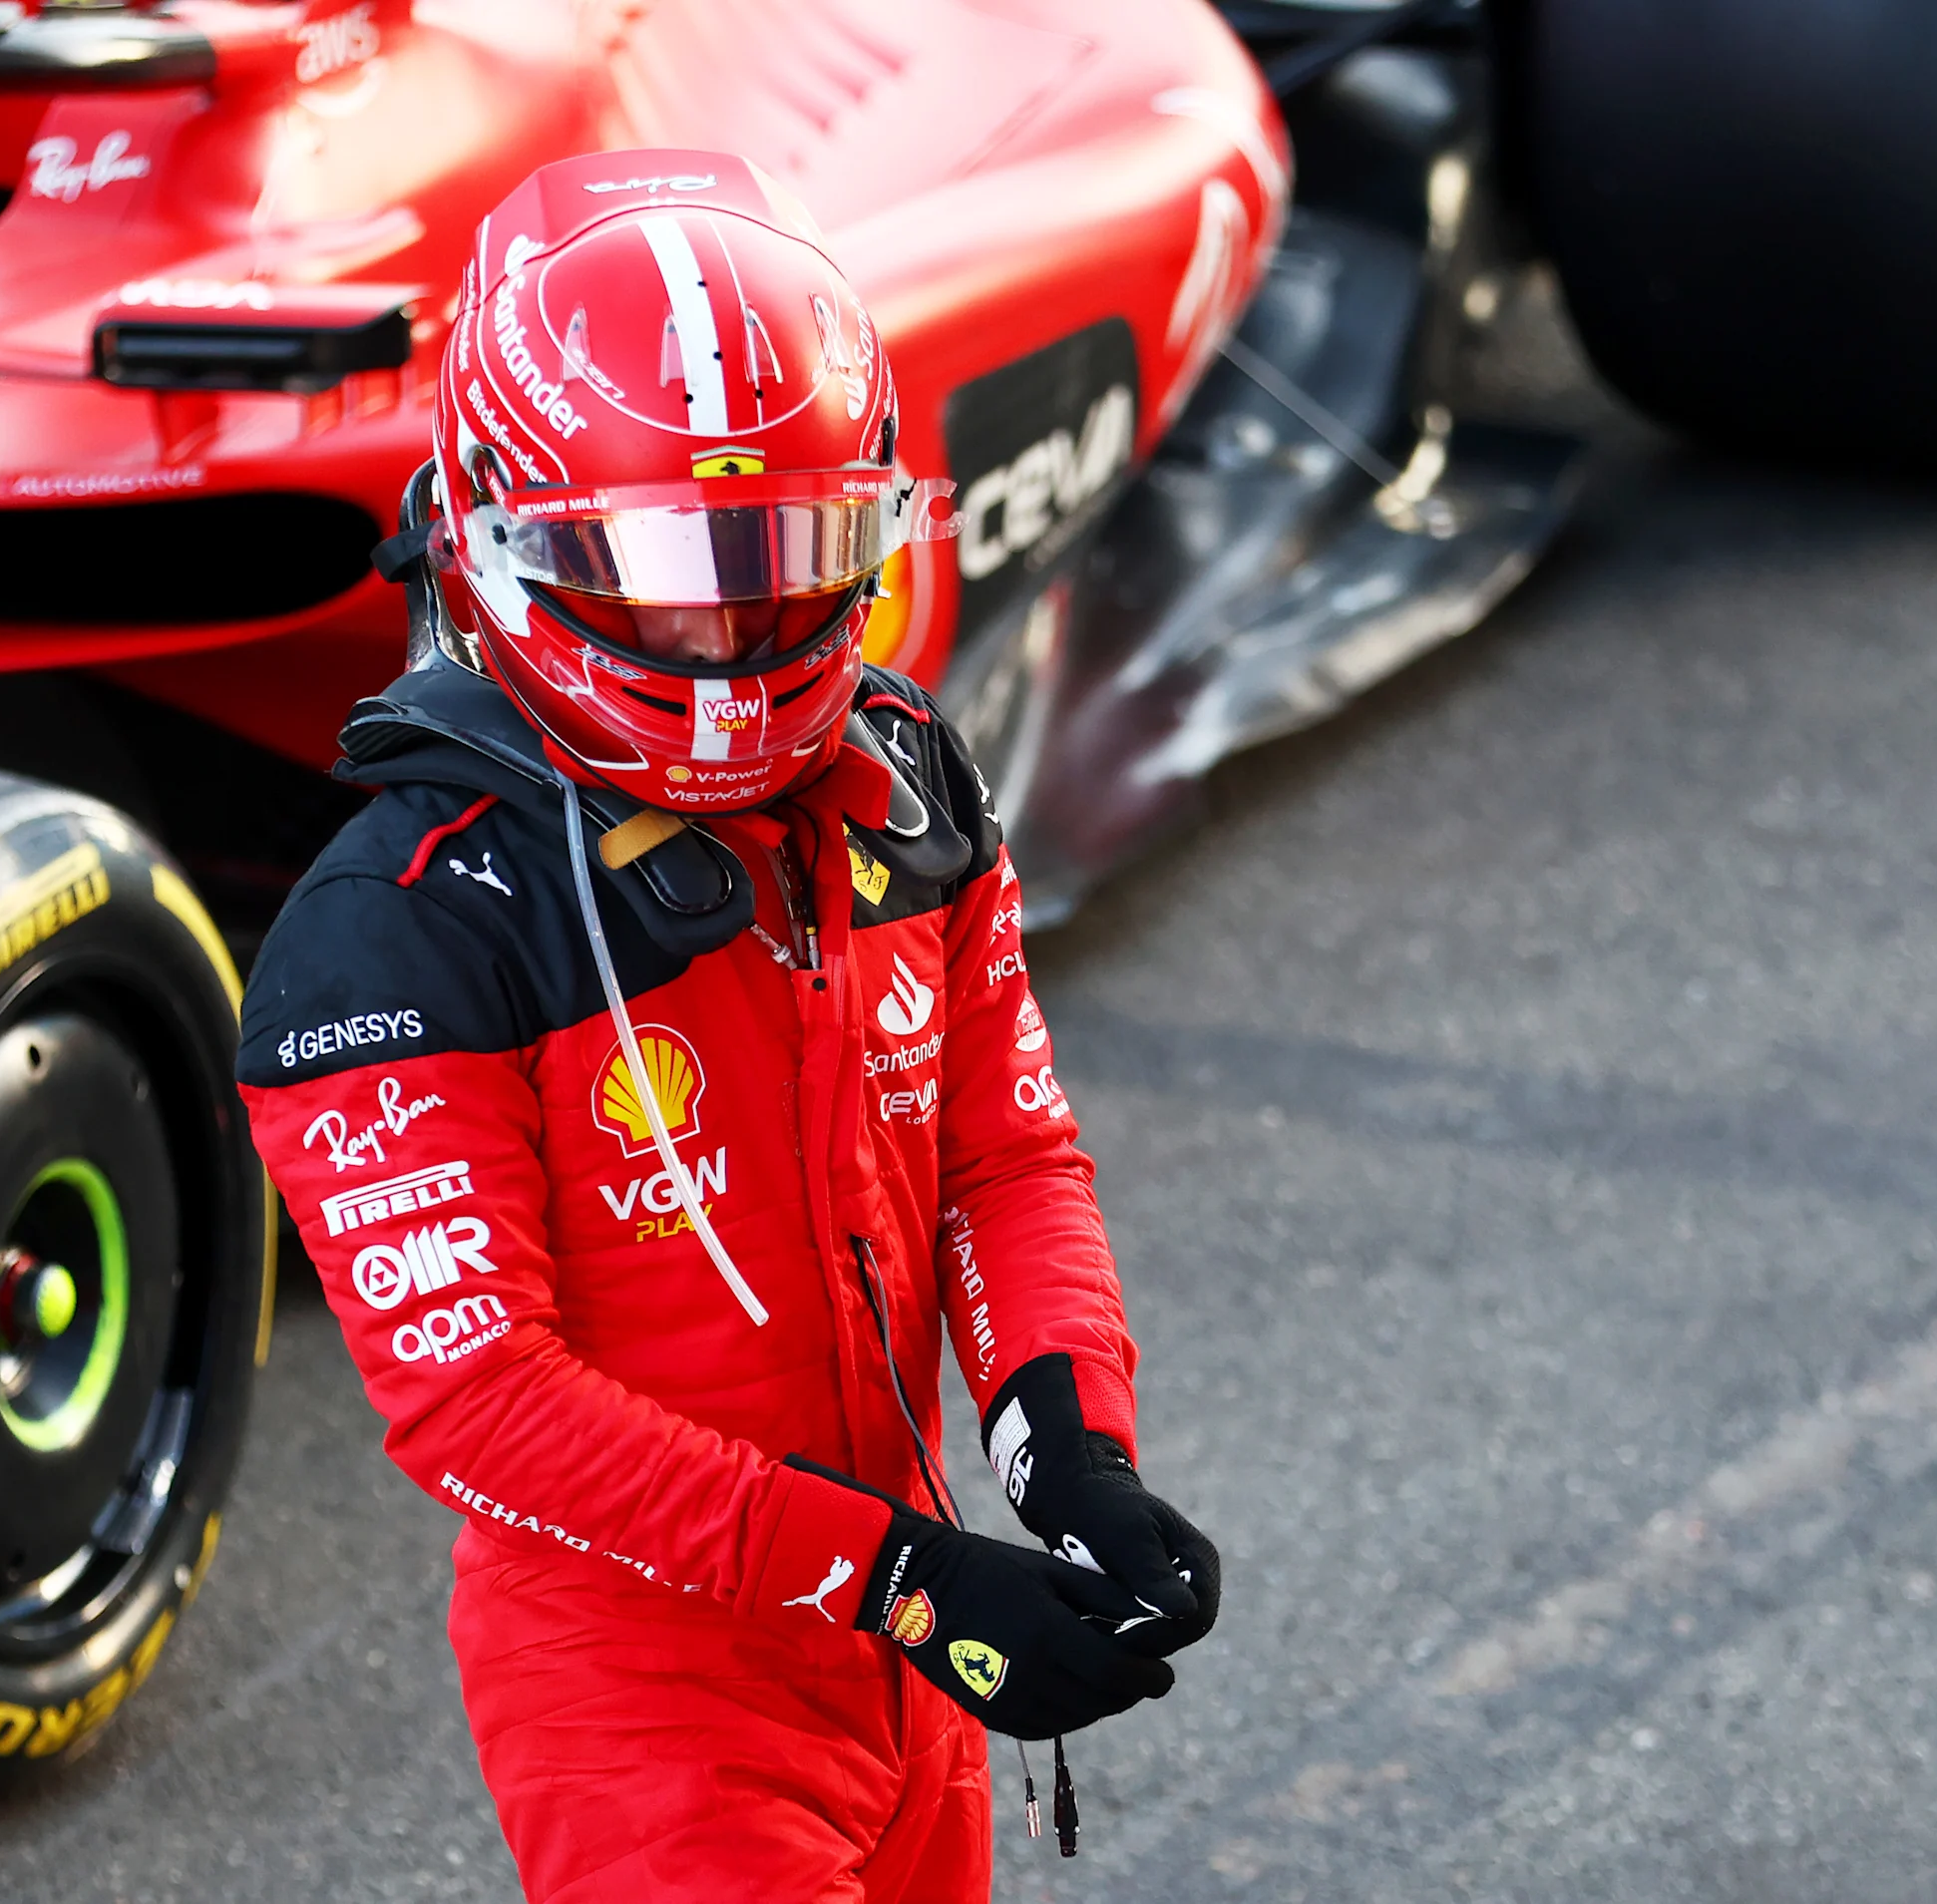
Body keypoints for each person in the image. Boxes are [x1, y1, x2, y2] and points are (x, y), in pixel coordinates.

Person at [235, 150, 1221, 1903]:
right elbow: (485, 1411)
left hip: (904, 1661)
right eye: (665, 569)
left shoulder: (907, 778)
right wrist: (907, 1578)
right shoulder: (383, 941)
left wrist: (1068, 1445)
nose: (728, 628)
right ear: (506, 537)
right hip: (649, 1701)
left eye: (782, 557)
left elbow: (1001, 1155)